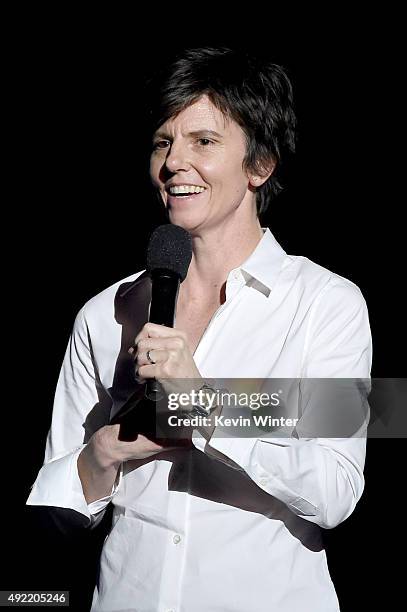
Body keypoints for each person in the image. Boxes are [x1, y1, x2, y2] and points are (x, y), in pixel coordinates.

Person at [27, 47, 372, 611]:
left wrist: (203, 405)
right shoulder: (104, 312)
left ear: (260, 164)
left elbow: (336, 490)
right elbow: (55, 504)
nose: (173, 164)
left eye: (203, 142)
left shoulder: (327, 304)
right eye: (163, 142)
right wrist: (103, 454)